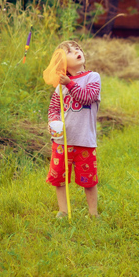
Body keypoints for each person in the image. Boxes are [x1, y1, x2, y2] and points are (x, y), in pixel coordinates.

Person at [45, 40, 101, 218]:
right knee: (59, 178)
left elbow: (87, 97)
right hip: (62, 141)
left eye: (78, 48)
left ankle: (93, 213)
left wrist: (70, 83)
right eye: (70, 51)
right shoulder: (59, 87)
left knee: (88, 179)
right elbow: (53, 109)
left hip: (84, 139)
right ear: (62, 63)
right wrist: (53, 122)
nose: (77, 51)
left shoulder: (92, 77)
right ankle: (63, 210)